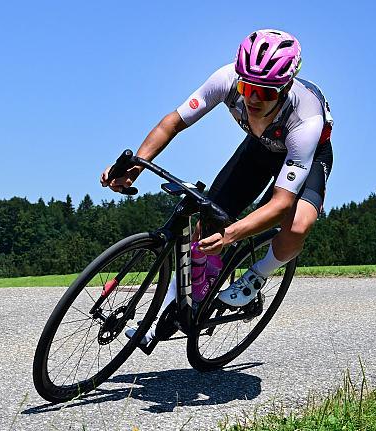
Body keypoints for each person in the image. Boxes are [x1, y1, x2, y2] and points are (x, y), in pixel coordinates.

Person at [101, 29, 333, 312]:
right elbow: (172, 123)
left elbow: (281, 203)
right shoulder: (226, 79)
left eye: (264, 92)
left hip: (306, 155)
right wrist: (134, 166)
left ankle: (257, 276)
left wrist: (231, 235)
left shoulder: (306, 118)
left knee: (298, 225)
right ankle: (178, 304)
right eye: (248, 88)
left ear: (285, 89)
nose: (252, 99)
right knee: (207, 222)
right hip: (259, 148)